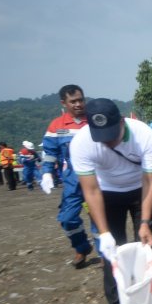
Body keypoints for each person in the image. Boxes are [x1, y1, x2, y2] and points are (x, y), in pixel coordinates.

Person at [69, 98, 152, 304]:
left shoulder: (145, 136)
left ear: (122, 121)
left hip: (141, 190)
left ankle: (146, 298)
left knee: (149, 244)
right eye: (103, 137)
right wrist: (103, 233)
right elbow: (90, 190)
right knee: (112, 251)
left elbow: (150, 183)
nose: (109, 142)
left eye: (113, 134)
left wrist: (144, 222)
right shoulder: (81, 142)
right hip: (107, 194)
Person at [40, 85, 96, 268]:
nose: (79, 104)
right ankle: (82, 247)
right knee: (67, 218)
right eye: (73, 101)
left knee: (98, 215)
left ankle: (106, 253)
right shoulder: (57, 126)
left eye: (81, 99)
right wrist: (47, 172)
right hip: (72, 178)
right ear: (64, 103)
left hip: (97, 176)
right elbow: (50, 152)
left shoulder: (94, 119)